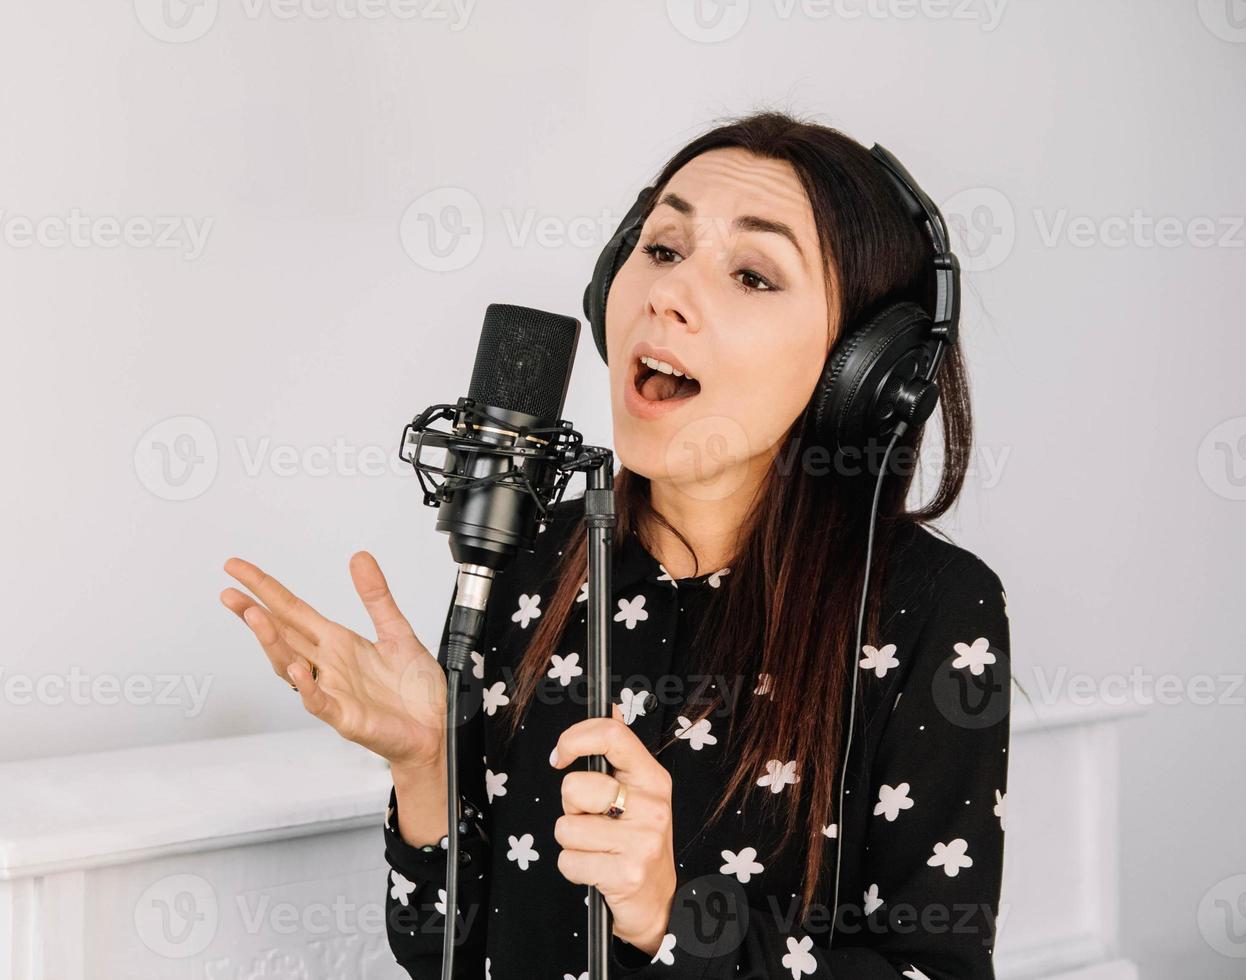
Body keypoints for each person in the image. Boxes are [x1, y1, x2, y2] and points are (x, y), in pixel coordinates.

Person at [220, 109, 1011, 979]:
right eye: (663, 250)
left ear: (861, 368)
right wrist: (426, 767)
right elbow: (444, 953)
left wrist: (679, 919)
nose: (667, 295)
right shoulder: (531, 557)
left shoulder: (932, 607)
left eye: (752, 274)